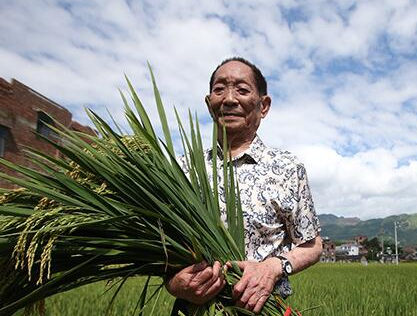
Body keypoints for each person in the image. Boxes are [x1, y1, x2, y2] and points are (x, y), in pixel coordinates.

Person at [166, 57, 322, 314]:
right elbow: (165, 250)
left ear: (264, 106)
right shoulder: (184, 170)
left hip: (261, 309)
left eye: (242, 89)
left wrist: (273, 267)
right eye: (219, 89)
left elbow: (312, 245)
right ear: (209, 104)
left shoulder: (287, 168)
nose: (229, 99)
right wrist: (174, 284)